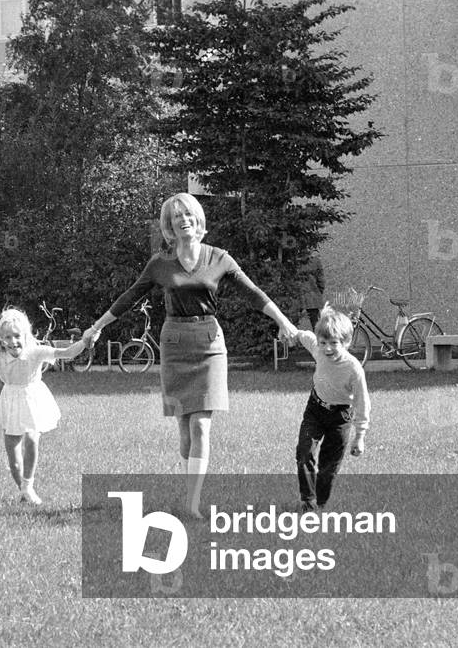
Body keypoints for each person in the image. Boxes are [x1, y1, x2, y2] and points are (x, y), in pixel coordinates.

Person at [83, 192, 298, 518]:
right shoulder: (159, 264)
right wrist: (96, 327)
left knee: (201, 425)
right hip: (175, 345)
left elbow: (253, 293)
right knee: (184, 429)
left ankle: (192, 503)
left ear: (198, 220)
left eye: (188, 214)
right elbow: (129, 296)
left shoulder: (219, 258)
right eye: (176, 216)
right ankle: (189, 494)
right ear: (169, 226)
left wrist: (283, 322)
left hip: (209, 345)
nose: (183, 220)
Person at [0, 308, 90, 505]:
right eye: (8, 337)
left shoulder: (36, 351)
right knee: (13, 458)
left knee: (32, 438)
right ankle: (24, 491)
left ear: (25, 335)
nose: (13, 341)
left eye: (17, 336)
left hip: (32, 397)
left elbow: (68, 353)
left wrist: (85, 341)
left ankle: (28, 486)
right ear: (1, 339)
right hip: (11, 400)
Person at [290, 304, 370, 511]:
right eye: (323, 342)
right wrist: (292, 333)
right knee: (304, 453)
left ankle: (321, 502)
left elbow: (362, 402)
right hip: (315, 410)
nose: (327, 348)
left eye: (334, 343)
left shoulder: (353, 369)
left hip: (340, 417)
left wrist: (360, 436)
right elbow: (305, 336)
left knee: (328, 466)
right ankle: (308, 502)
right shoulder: (318, 349)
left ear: (346, 342)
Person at [299, 254, 325, 329]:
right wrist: (319, 292)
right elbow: (321, 280)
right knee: (316, 324)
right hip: (313, 296)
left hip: (297, 295)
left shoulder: (293, 261)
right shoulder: (315, 261)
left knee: (292, 323)